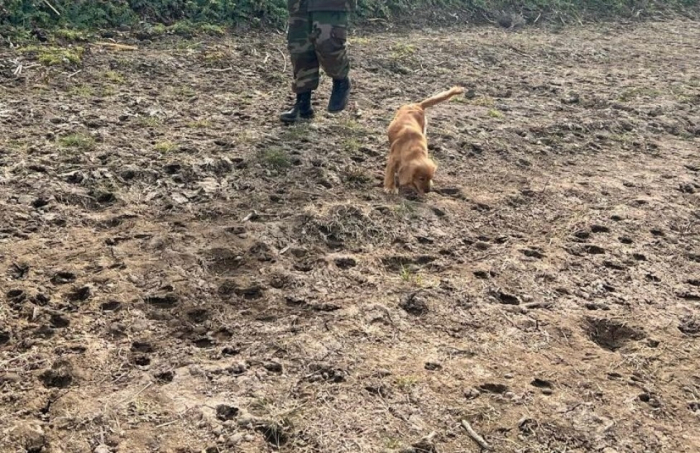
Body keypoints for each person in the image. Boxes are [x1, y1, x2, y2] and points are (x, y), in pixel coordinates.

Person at [280, 0, 356, 123]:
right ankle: (303, 104)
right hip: (300, 4)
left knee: (328, 44)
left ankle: (341, 80)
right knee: (300, 48)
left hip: (330, 5)